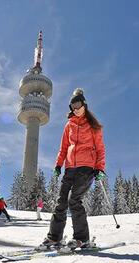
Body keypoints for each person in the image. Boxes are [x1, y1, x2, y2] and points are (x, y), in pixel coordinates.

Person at [41, 88, 105, 249]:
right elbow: (63, 148)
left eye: (78, 105)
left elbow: (100, 149)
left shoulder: (93, 125)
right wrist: (58, 164)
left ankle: (82, 238)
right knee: (61, 202)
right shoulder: (69, 125)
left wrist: (99, 168)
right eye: (72, 107)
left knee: (74, 200)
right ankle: (54, 237)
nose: (75, 109)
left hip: (86, 168)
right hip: (70, 168)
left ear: (84, 104)